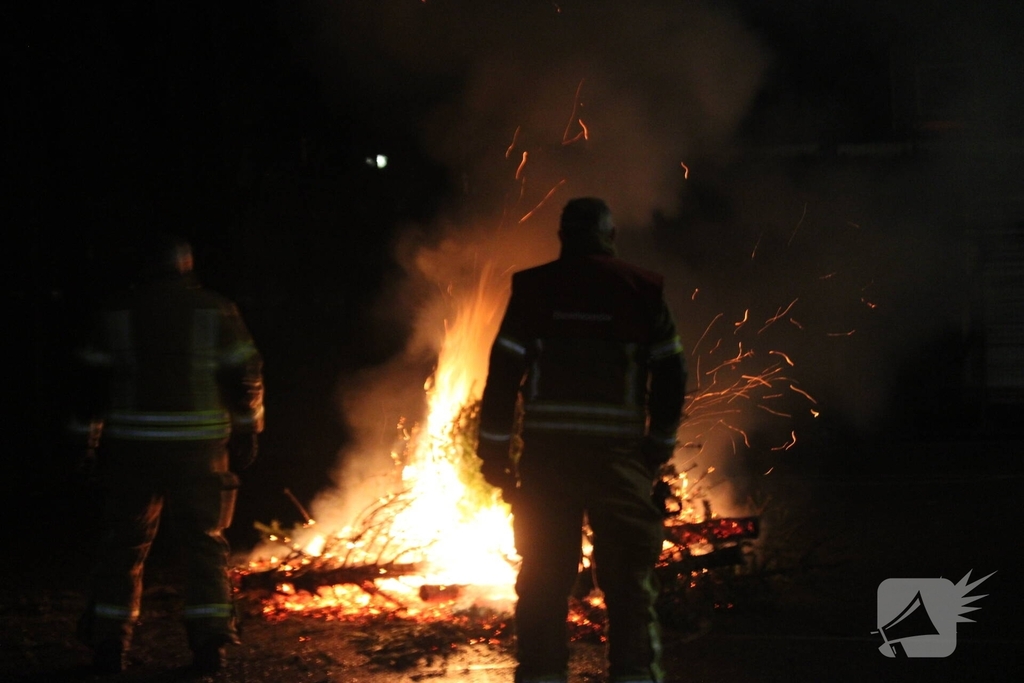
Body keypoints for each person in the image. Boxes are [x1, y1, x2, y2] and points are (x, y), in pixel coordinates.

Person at [477, 197, 687, 683]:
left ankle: (543, 676)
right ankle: (634, 677)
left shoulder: (534, 290)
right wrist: (659, 445)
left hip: (549, 463)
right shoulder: (642, 290)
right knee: (629, 584)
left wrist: (494, 455)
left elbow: (503, 376)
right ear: (610, 237)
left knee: (545, 580)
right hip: (619, 462)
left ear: (563, 238)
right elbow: (672, 373)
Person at [67, 232, 265, 675]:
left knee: (124, 545)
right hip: (200, 452)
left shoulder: (115, 311)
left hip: (131, 451)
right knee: (204, 544)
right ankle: (211, 646)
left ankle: (108, 647)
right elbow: (247, 372)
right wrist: (249, 429)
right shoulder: (216, 309)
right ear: (187, 265)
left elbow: (89, 387)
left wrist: (85, 441)